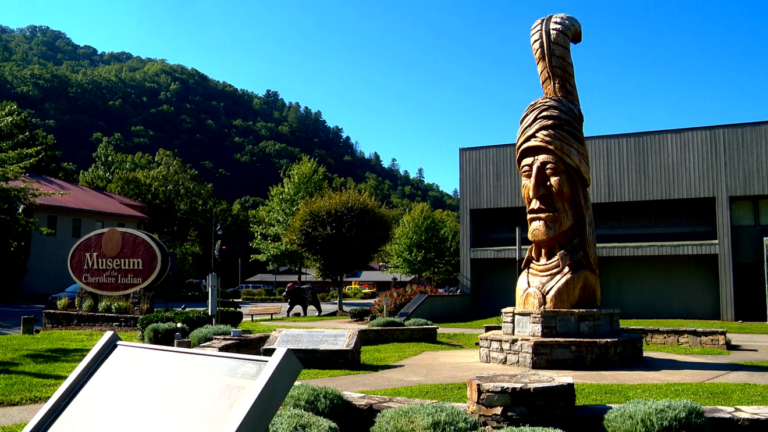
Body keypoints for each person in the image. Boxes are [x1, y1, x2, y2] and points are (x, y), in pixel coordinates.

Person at [514, 14, 600, 310]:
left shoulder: (580, 277)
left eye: (549, 170)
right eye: (526, 172)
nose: (535, 191)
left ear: (576, 184)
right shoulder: (524, 277)